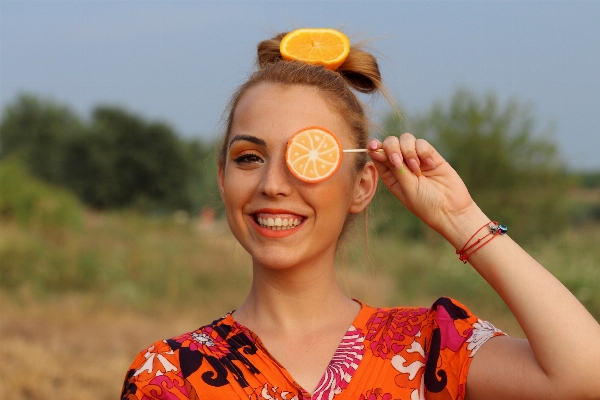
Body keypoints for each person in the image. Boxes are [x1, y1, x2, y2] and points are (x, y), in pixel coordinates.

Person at [120, 30, 600, 400]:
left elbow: (584, 375)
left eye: (309, 157)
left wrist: (462, 219)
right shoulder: (170, 375)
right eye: (249, 157)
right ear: (222, 178)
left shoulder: (428, 348)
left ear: (363, 185)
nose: (272, 185)